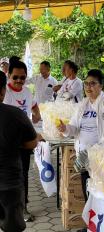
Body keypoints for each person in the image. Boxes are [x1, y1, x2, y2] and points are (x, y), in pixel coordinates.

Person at [57, 69, 104, 199]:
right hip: (84, 159)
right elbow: (75, 128)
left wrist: (98, 147)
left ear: (101, 86)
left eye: (93, 83)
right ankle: (91, 219)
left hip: (103, 159)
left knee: (102, 197)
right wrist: (65, 128)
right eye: (86, 83)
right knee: (88, 196)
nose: (88, 87)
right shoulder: (83, 104)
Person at [0, 71, 38, 232]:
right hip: (10, 184)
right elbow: (31, 143)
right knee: (12, 228)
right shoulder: (16, 114)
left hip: (9, 183)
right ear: (3, 90)